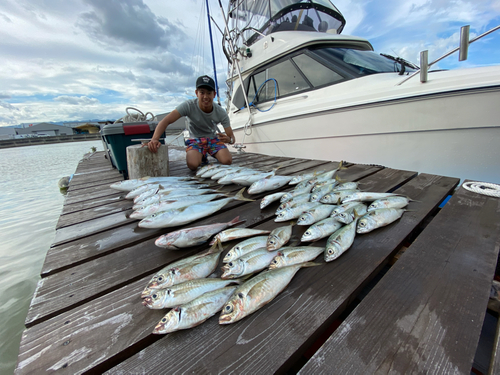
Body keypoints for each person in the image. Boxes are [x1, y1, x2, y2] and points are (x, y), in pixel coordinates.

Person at [147, 75, 235, 171]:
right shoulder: (188, 105)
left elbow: (232, 138)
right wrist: (155, 139)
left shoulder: (220, 112)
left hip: (212, 140)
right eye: (202, 92)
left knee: (227, 161)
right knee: (192, 165)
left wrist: (229, 139)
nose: (205, 97)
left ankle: (205, 154)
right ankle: (201, 156)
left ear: (214, 94)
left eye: (209, 93)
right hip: (195, 140)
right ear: (196, 93)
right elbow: (165, 121)